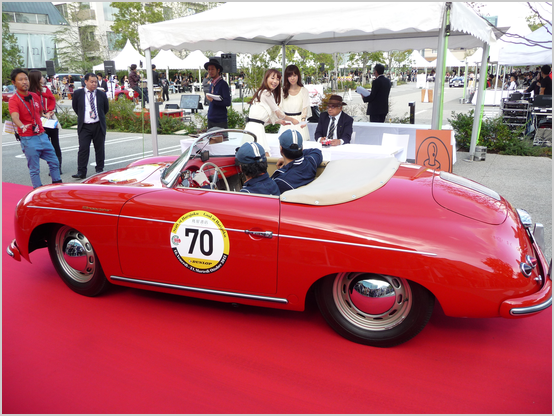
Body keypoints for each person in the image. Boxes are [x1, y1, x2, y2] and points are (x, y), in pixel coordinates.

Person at [8, 68, 61, 188]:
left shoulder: (34, 96)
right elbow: (15, 116)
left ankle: (57, 186)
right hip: (28, 138)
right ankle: (37, 192)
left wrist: (47, 115)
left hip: (42, 135)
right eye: (20, 80)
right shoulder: (14, 100)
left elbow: (40, 112)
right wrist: (22, 125)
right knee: (34, 169)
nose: (24, 82)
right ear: (13, 82)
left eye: (26, 79)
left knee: (54, 161)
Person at [244, 69, 299, 156]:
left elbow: (260, 119)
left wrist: (279, 121)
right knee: (264, 156)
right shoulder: (267, 93)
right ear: (266, 78)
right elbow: (279, 113)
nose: (275, 81)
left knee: (251, 156)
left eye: (277, 79)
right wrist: (291, 119)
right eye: (272, 78)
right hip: (257, 130)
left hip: (251, 128)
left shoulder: (261, 92)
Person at [71, 73, 109, 179]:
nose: (94, 84)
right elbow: (76, 107)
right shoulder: (78, 93)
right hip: (85, 126)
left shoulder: (101, 94)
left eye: (95, 82)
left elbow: (105, 109)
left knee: (99, 148)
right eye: (92, 82)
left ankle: (99, 169)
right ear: (86, 82)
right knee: (83, 148)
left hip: (98, 124)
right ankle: (81, 171)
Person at [28, 69, 63, 174]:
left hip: (50, 119)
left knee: (55, 143)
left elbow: (52, 100)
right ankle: (47, 166)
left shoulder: (45, 88)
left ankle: (57, 167)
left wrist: (50, 111)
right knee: (44, 145)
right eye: (41, 76)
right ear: (36, 79)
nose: (43, 78)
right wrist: (41, 113)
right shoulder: (30, 92)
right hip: (39, 121)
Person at [271, 129, 323, 194]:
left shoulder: (281, 180)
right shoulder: (310, 163)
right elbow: (316, 151)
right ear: (302, 148)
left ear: (281, 149)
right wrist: (297, 153)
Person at [278, 64, 311, 143]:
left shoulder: (304, 90)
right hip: (287, 122)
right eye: (289, 76)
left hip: (299, 122)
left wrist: (303, 119)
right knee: (286, 146)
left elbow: (305, 107)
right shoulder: (282, 91)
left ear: (298, 76)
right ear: (286, 77)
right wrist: (280, 119)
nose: (292, 78)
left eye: (294, 75)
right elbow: (279, 108)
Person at [204, 58, 232, 129]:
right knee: (211, 139)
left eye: (212, 69)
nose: (210, 71)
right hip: (211, 119)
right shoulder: (212, 84)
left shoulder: (223, 84)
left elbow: (227, 102)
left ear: (218, 70)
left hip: (220, 121)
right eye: (209, 69)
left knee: (221, 139)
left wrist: (213, 100)